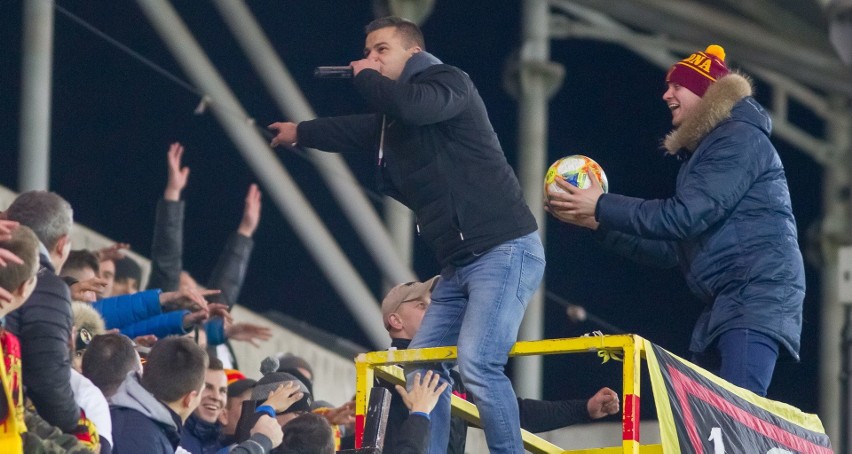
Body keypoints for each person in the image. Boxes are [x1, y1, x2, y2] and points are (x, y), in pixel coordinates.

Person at [268, 16, 545, 453]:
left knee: (478, 363)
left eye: (382, 50)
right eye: (367, 52)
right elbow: (355, 130)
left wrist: (368, 80)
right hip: (458, 265)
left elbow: (413, 106)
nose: (370, 59)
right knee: (419, 368)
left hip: (503, 249)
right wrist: (300, 132)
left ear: (413, 53)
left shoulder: (447, 82)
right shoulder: (395, 119)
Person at [545, 45, 805, 397]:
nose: (666, 94)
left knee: (736, 421)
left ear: (706, 92)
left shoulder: (737, 139)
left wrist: (603, 204)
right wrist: (598, 222)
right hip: (730, 306)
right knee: (715, 424)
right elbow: (670, 249)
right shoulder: (707, 152)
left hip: (755, 299)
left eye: (677, 86)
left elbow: (683, 216)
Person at [380, 277, 620, 452]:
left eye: (435, 303)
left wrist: (584, 408)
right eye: (422, 305)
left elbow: (512, 413)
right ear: (395, 320)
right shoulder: (379, 373)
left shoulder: (451, 379)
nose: (435, 310)